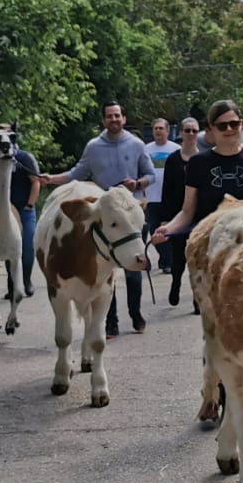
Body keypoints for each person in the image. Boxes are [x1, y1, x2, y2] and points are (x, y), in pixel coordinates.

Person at [37, 101, 156, 338]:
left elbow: (151, 175)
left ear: (124, 118)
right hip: (104, 218)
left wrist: (138, 183)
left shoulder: (136, 144)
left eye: (117, 115)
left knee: (134, 268)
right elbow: (76, 174)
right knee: (104, 270)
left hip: (130, 216)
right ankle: (110, 323)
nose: (114, 119)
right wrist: (51, 179)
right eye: (109, 116)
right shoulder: (93, 147)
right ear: (103, 121)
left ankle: (135, 313)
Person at [152, 98, 243, 310]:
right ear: (211, 129)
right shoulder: (198, 164)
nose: (229, 130)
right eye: (222, 125)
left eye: (234, 124)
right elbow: (187, 211)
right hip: (211, 254)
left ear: (241, 124)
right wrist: (168, 228)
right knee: (216, 316)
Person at [0, 124, 41, 296]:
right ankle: (12, 283)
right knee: (8, 245)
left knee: (27, 247)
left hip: (24, 208)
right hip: (4, 209)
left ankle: (26, 280)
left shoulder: (24, 158)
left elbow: (36, 182)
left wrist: (29, 205)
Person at [158, 117, 203, 307]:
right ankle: (175, 283)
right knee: (178, 257)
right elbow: (166, 190)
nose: (191, 134)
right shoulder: (173, 160)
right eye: (187, 130)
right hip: (178, 215)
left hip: (199, 216)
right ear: (181, 133)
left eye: (194, 131)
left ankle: (196, 297)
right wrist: (165, 219)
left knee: (198, 259)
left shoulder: (204, 159)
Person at [144, 118, 180, 274]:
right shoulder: (145, 150)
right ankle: (165, 259)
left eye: (161, 128)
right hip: (152, 198)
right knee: (155, 230)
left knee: (170, 230)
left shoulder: (176, 149)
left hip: (171, 198)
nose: (158, 131)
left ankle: (167, 262)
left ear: (167, 131)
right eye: (155, 128)